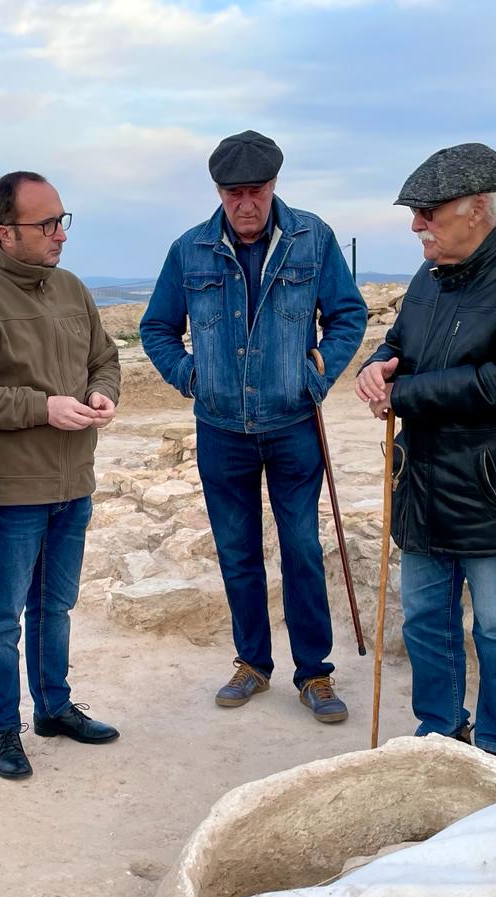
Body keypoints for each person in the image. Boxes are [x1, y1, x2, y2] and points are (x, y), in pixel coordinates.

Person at [354, 142, 496, 766]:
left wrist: (406, 391)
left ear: (477, 207)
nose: (415, 225)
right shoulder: (431, 275)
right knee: (425, 618)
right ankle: (439, 732)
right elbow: (399, 342)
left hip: (494, 486)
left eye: (427, 212)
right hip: (424, 477)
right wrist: (378, 370)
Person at [141, 131, 368, 723]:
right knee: (237, 553)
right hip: (220, 428)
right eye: (233, 191)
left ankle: (315, 672)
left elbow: (348, 316)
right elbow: (157, 328)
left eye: (256, 191)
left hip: (294, 423)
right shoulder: (189, 249)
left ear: (274, 186)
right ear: (218, 191)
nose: (245, 203)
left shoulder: (312, 239)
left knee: (301, 549)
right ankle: (252, 663)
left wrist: (319, 372)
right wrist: (192, 376)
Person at [0, 171, 121, 780]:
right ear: (4, 232)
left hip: (73, 482)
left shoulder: (71, 289)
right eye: (46, 224)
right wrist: (41, 407)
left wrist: (100, 392)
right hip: (11, 490)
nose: (60, 234)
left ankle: (54, 708)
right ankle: (1, 728)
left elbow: (105, 357)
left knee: (55, 607)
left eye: (64, 220)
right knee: (1, 615)